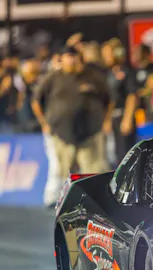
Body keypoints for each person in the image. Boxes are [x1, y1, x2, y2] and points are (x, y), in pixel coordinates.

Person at [32, 47, 112, 185]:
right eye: (68, 56)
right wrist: (44, 123)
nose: (71, 60)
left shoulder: (92, 76)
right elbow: (36, 101)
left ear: (79, 58)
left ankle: (94, 198)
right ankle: (65, 197)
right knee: (63, 175)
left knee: (95, 174)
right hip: (62, 134)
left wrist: (106, 120)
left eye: (74, 56)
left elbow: (109, 99)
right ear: (61, 59)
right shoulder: (53, 77)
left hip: (90, 133)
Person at [102, 38, 138, 164]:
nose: (105, 56)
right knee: (115, 156)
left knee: (125, 155)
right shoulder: (108, 73)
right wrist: (107, 119)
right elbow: (110, 99)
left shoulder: (127, 72)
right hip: (113, 118)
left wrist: (127, 118)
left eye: (107, 53)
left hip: (123, 116)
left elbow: (132, 96)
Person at [133, 44, 153, 122]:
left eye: (138, 52)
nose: (136, 55)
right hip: (138, 107)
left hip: (151, 106)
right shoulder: (134, 70)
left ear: (146, 53)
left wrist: (142, 92)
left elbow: (152, 88)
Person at [15, 59, 42, 133]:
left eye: (34, 73)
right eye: (30, 73)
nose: (32, 77)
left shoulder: (39, 84)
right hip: (27, 116)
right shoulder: (21, 84)